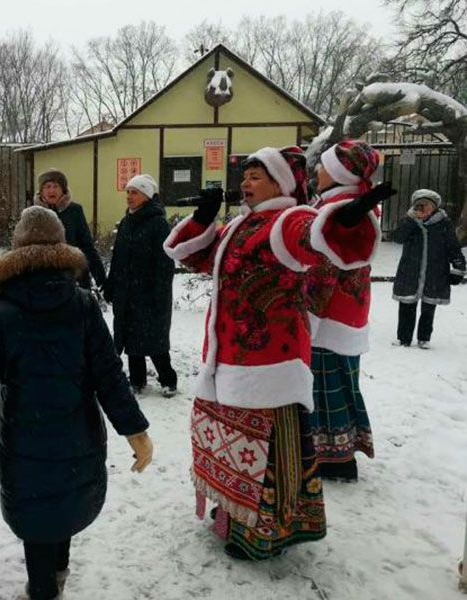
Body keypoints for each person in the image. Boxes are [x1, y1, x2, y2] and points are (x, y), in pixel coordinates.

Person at [163, 146, 392, 560]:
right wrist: (204, 217)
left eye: (255, 176)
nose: (245, 184)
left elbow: (314, 237)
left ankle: (264, 535)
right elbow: (195, 256)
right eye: (244, 176)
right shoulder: (241, 225)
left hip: (268, 363)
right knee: (235, 444)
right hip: (229, 359)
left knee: (266, 454)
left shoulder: (286, 220)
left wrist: (347, 222)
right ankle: (232, 516)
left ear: (280, 184)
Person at [0, 206, 153, 600]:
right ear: (61, 245)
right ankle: (58, 572)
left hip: (24, 437)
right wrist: (135, 430)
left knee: (36, 510)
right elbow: (108, 375)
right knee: (64, 499)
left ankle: (43, 587)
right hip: (77, 431)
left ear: (16, 248)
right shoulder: (82, 304)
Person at [305, 139, 383, 482]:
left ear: (338, 173)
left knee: (325, 384)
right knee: (340, 382)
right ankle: (341, 452)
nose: (317, 171)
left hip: (328, 315)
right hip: (347, 312)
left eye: (323, 166)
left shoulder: (338, 209)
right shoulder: (345, 204)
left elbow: (323, 268)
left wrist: (306, 315)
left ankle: (332, 459)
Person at [104, 174, 177, 397]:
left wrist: (159, 292)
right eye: (127, 192)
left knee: (154, 340)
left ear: (146, 195)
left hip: (150, 293)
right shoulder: (126, 222)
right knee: (131, 339)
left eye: (134, 192)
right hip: (127, 293)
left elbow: (165, 264)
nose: (129, 196)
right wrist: (110, 284)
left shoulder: (158, 224)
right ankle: (137, 381)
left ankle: (168, 380)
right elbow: (118, 259)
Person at [392, 188, 466, 348]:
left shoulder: (444, 223)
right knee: (406, 306)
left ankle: (424, 338)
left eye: (425, 205)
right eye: (418, 205)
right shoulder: (409, 222)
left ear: (434, 207)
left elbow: (453, 246)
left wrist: (459, 267)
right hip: (410, 271)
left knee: (428, 308)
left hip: (435, 272)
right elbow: (397, 238)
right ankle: (403, 337)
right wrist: (411, 221)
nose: (421, 208)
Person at [35, 169, 107, 290]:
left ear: (63, 189)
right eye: (47, 186)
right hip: (42, 280)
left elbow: (87, 246)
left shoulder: (74, 211)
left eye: (55, 186)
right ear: (41, 191)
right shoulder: (33, 213)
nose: (51, 190)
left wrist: (101, 279)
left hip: (74, 278)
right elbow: (22, 250)